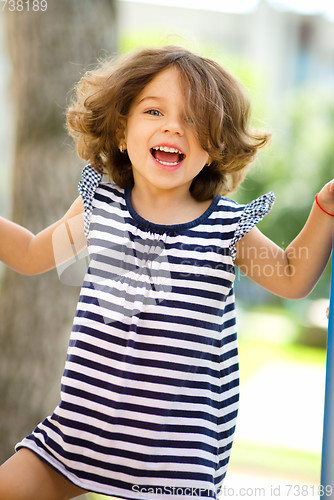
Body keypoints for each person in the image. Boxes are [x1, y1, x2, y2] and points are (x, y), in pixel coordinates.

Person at [0, 45, 333, 500]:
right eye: (153, 110)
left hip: (175, 458)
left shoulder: (224, 229)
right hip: (77, 435)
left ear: (215, 148)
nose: (173, 126)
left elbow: (293, 278)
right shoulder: (102, 207)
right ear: (121, 131)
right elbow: (30, 253)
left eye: (195, 119)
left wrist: (324, 209)